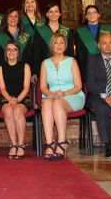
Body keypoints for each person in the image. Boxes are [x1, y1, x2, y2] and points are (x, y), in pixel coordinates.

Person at [40, 33, 85, 161]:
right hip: (52, 95)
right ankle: (50, 144)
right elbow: (43, 87)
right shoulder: (45, 63)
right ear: (51, 45)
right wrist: (52, 94)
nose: (59, 45)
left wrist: (63, 94)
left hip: (73, 95)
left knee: (57, 103)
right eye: (55, 42)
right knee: (47, 103)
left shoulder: (72, 61)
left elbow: (78, 86)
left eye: (61, 42)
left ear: (65, 45)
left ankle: (62, 142)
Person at [0, 41, 32, 159]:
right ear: (5, 53)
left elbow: (26, 87)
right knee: (9, 111)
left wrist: (17, 100)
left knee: (17, 111)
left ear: (18, 52)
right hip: (6, 98)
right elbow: (2, 88)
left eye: (14, 49)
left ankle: (21, 144)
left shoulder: (26, 66)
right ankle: (13, 144)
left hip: (22, 97)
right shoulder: (0, 68)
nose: (11, 52)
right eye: (9, 49)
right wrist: (10, 99)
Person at [0, 8, 34, 81]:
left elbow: (29, 57)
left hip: (23, 75)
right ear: (6, 18)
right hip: (5, 75)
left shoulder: (25, 36)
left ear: (19, 19)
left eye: (15, 16)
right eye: (10, 16)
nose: (13, 19)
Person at [33, 2, 72, 79]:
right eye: (50, 11)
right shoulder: (40, 31)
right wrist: (35, 72)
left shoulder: (67, 30)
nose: (53, 14)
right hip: (46, 69)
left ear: (60, 14)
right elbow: (36, 53)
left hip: (65, 68)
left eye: (56, 11)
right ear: (47, 14)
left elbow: (70, 52)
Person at [75, 5, 111, 80]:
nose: (92, 15)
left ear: (98, 15)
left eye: (94, 12)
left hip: (105, 64)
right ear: (86, 16)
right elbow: (79, 52)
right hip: (87, 65)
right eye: (89, 13)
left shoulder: (108, 30)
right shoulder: (80, 32)